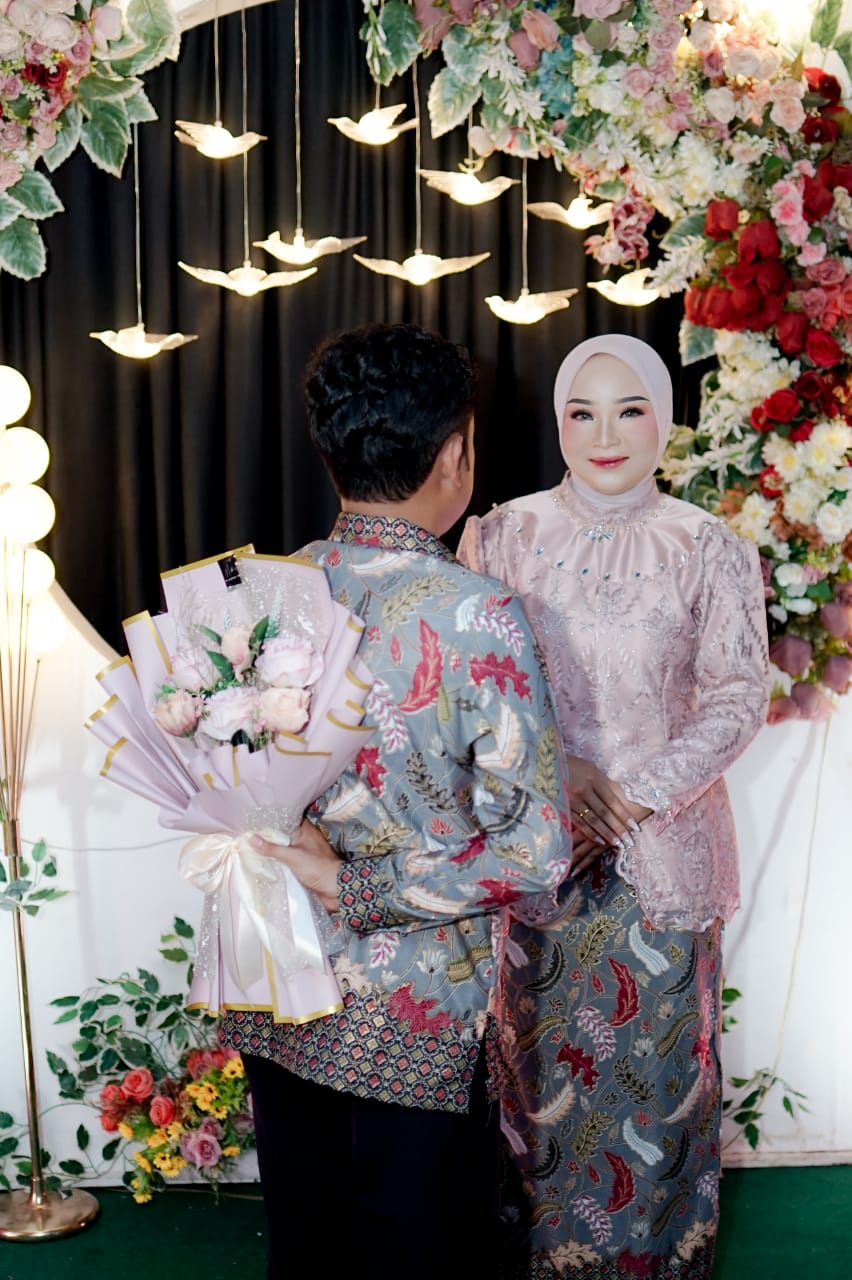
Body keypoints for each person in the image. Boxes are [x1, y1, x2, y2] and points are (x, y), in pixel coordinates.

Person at [220, 322, 573, 1280]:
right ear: (455, 454)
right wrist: (355, 886)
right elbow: (536, 849)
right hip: (415, 1011)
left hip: (282, 986)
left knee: (308, 1247)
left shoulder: (266, 592)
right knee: (422, 1254)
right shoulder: (476, 613)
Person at [457, 334, 769, 1280]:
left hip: (662, 857)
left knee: (660, 1078)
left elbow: (737, 696)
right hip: (535, 853)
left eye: (629, 410)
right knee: (533, 1071)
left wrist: (630, 801)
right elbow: (474, 685)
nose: (605, 435)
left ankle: (656, 1264)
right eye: (581, 412)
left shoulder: (709, 546)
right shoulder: (498, 536)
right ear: (558, 422)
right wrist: (557, 783)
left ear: (664, 420)